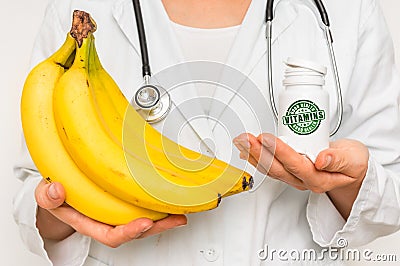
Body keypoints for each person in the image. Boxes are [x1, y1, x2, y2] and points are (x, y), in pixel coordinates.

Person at [13, 0, 400, 265]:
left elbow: (390, 195)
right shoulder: (77, 10)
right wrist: (68, 209)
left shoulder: (349, 11)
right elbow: (35, 185)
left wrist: (348, 181)